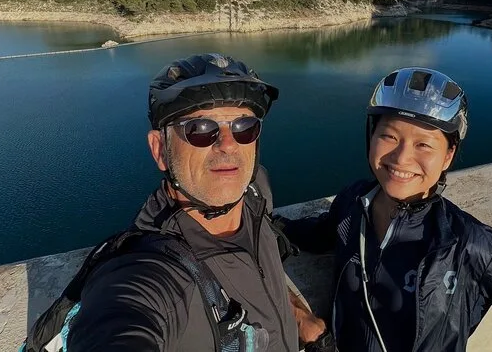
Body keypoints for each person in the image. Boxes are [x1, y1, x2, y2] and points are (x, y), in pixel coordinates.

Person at [275, 67, 492, 352]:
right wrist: (268, 223)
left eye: (424, 145)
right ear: (371, 136)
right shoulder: (353, 203)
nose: (401, 158)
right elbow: (318, 234)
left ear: (448, 155)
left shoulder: (467, 244)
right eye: (389, 136)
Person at [66, 53, 334, 352]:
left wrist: (298, 316)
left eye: (244, 127)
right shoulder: (149, 268)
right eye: (200, 129)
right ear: (160, 149)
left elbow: (259, 268)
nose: (228, 144)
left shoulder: (255, 195)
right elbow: (123, 314)